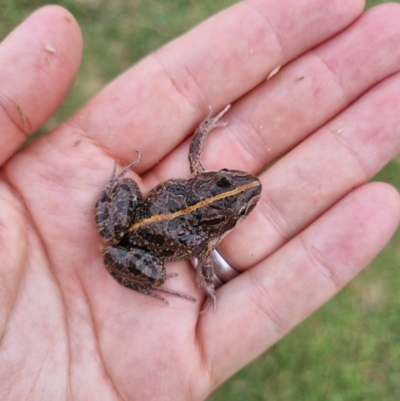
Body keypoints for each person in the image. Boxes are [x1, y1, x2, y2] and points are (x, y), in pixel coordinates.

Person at [0, 1, 399, 400]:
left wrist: (205, 127)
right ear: (214, 183)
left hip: (131, 219)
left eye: (237, 201)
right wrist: (209, 287)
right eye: (227, 183)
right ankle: (150, 280)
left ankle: (133, 240)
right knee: (155, 272)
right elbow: (205, 269)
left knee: (129, 193)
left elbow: (195, 157)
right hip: (138, 241)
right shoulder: (207, 239)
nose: (239, 184)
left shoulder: (198, 188)